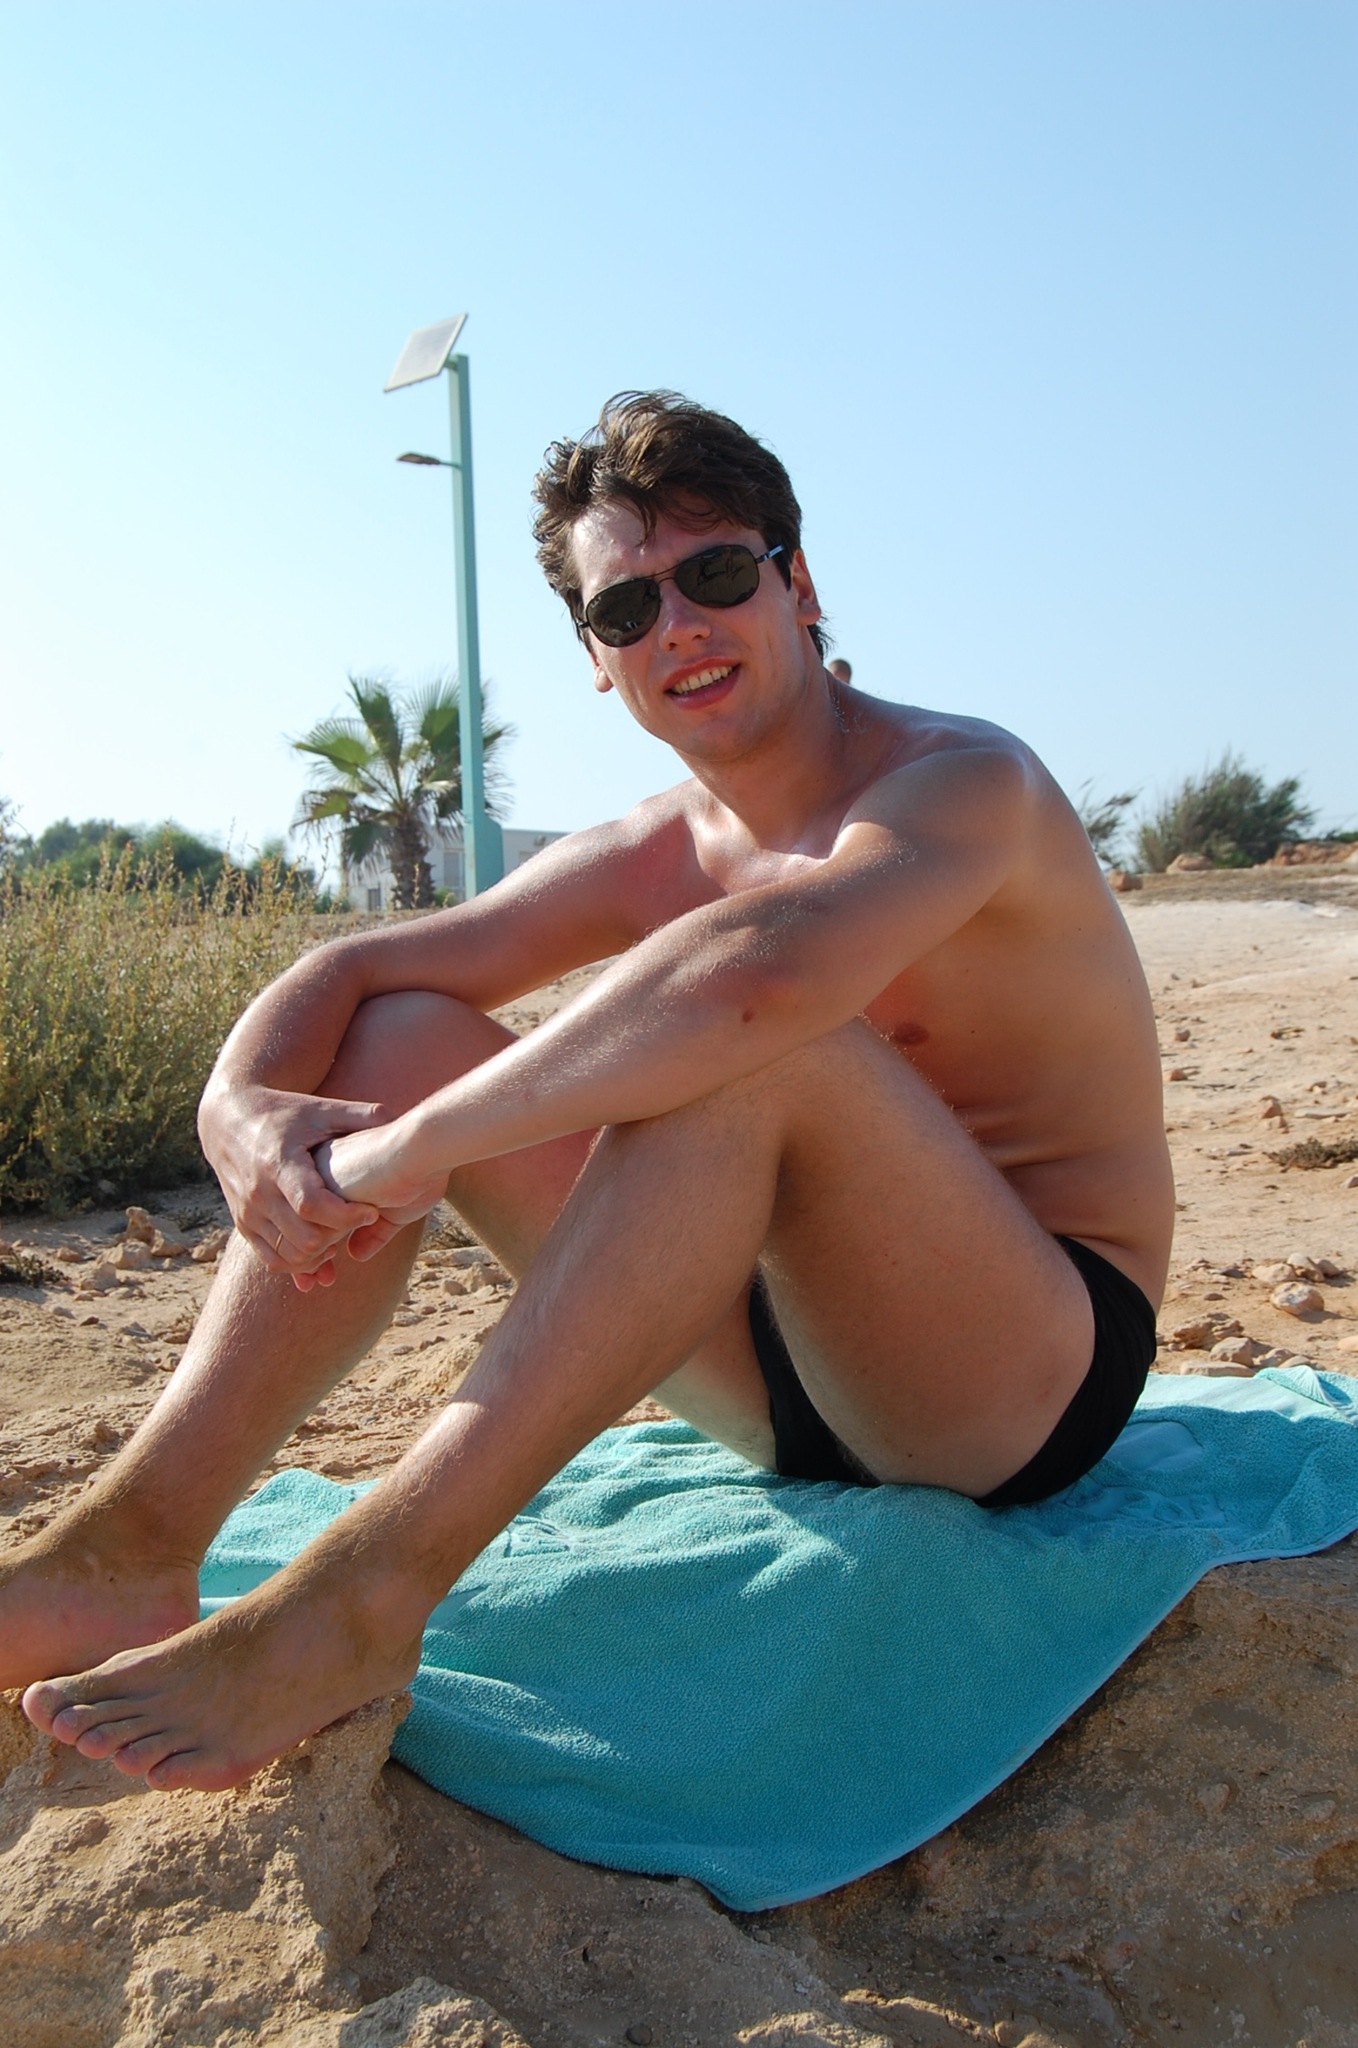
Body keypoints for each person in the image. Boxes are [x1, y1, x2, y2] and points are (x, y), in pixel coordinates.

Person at [11, 392, 1172, 1792]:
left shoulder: (963, 783)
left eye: (717, 573)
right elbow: (353, 964)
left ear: (798, 585)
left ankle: (366, 1598)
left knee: (761, 1044)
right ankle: (127, 1550)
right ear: (595, 659)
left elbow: (757, 982)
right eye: (626, 607)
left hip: (1017, 1382)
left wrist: (407, 1155)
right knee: (395, 1033)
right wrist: (238, 1104)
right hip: (778, 1380)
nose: (676, 625)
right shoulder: (649, 849)